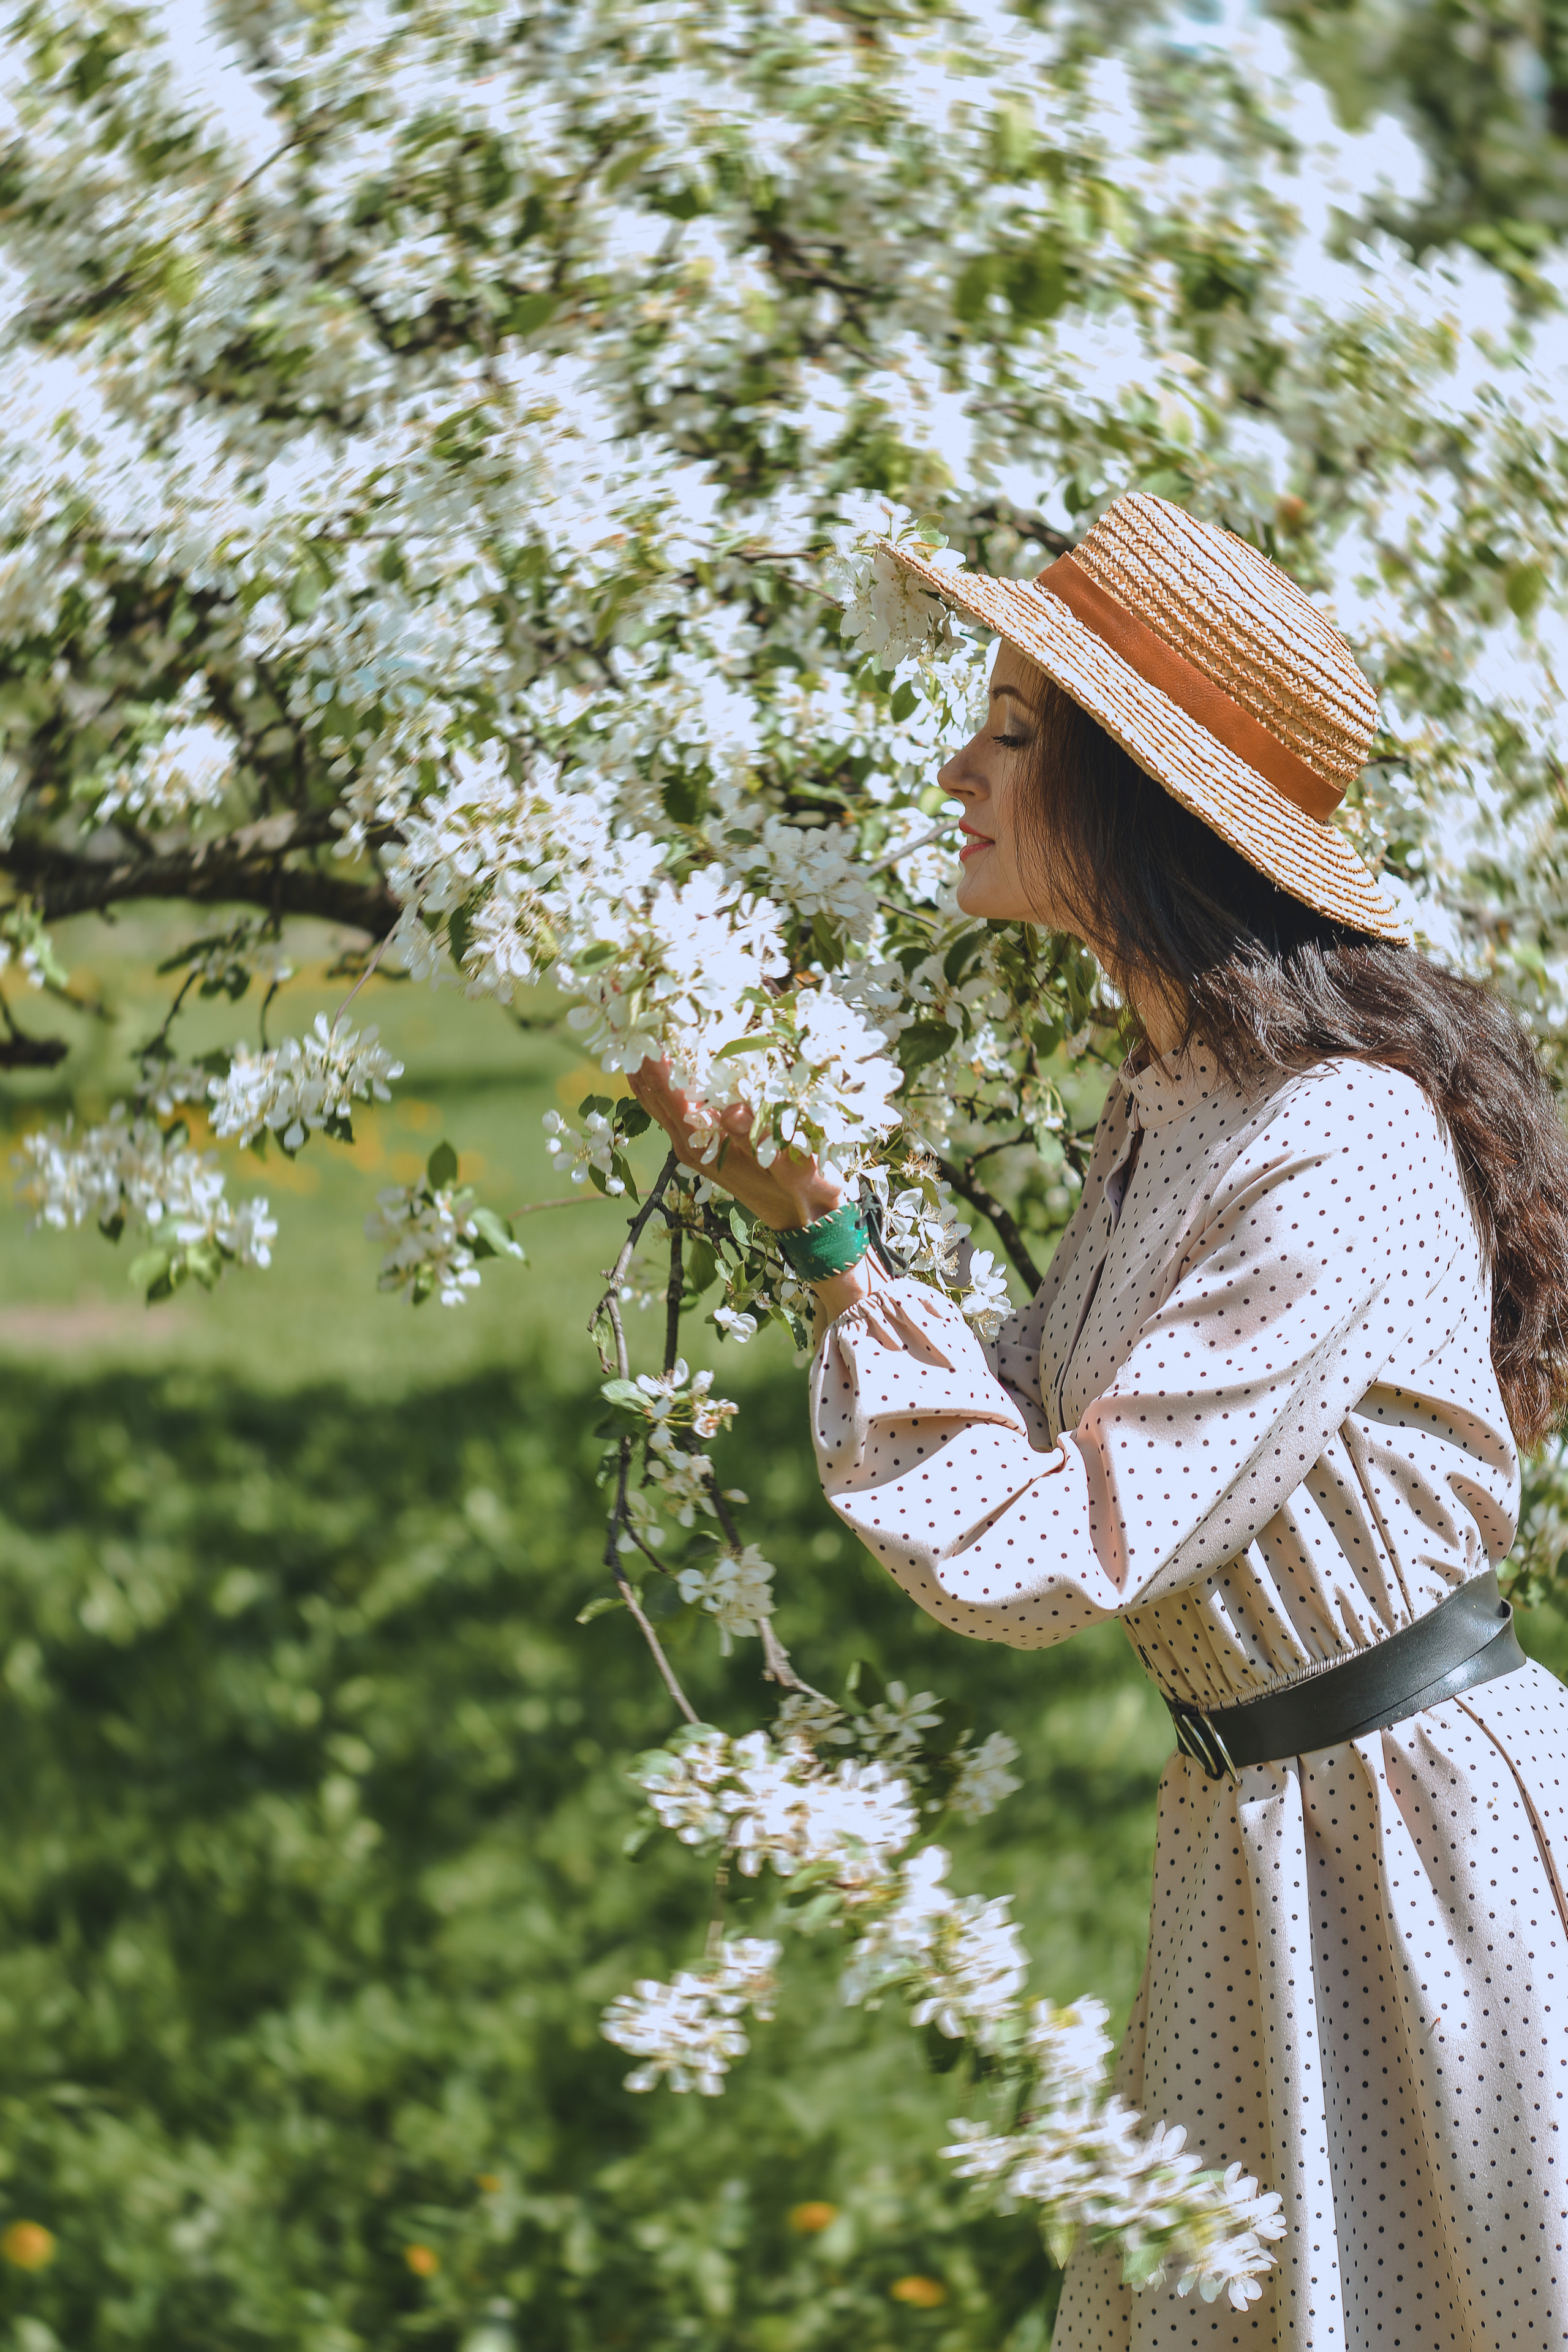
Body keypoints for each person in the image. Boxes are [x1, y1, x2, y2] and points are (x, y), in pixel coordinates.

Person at [629, 490, 1568, 2348]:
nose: (960, 765)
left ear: (1138, 794)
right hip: (1259, 1844)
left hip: (1424, 1857)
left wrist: (832, 1248)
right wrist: (819, 1220)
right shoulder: (1183, 1093)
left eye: (1011, 728)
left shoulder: (1339, 1141)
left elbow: (1047, 1546)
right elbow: (1071, 1393)